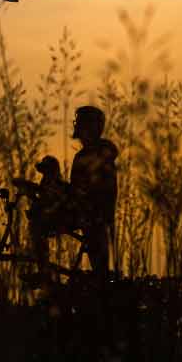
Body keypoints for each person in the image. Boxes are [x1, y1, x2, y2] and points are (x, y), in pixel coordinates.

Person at [67, 105, 118, 276]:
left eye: (84, 127)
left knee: (100, 265)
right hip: (85, 214)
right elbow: (75, 187)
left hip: (96, 216)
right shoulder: (82, 157)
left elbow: (104, 191)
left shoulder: (102, 155)